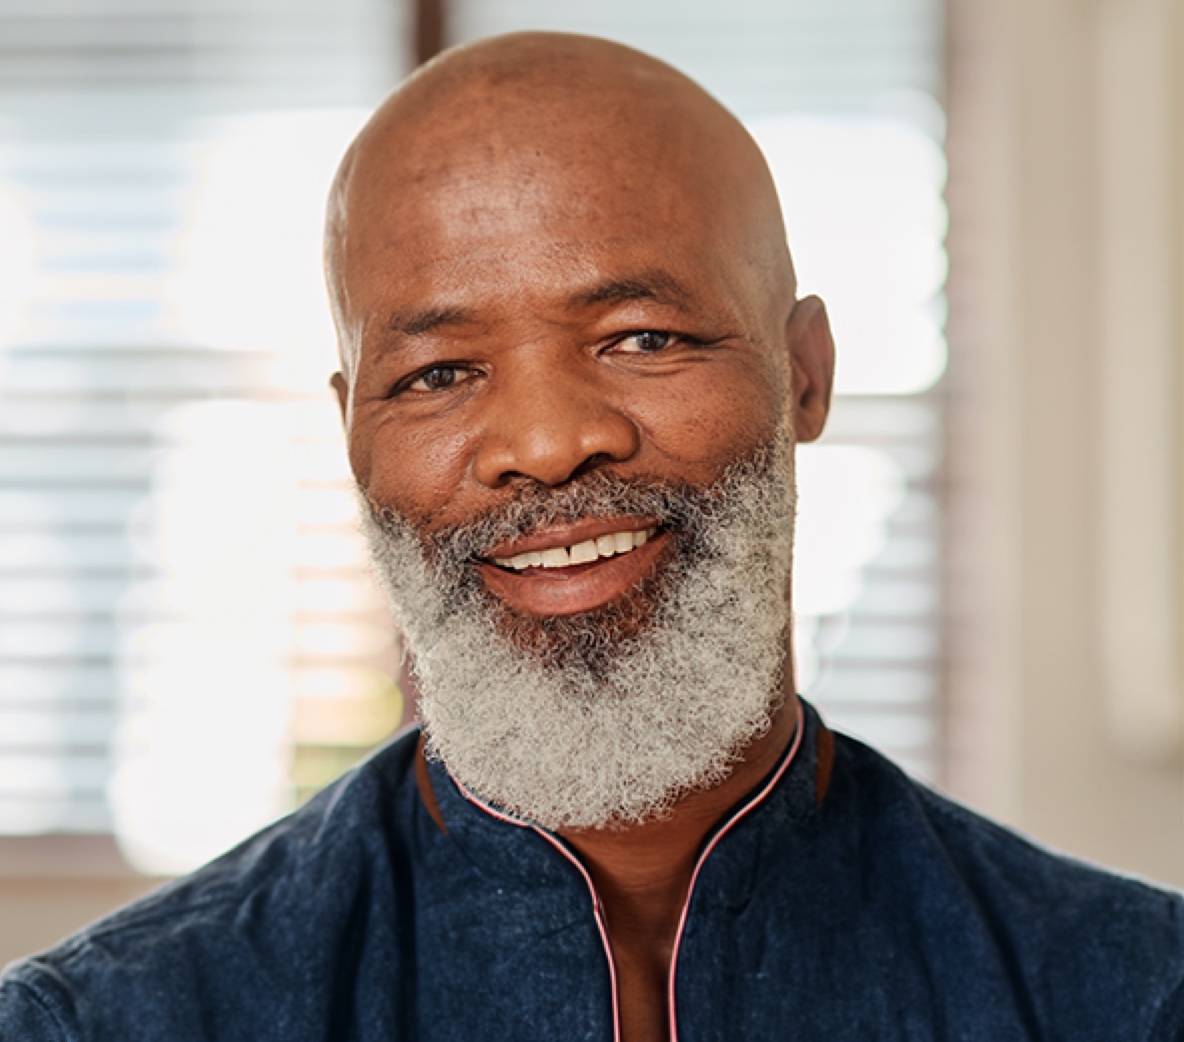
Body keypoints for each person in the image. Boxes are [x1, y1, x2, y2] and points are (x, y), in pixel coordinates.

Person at [3, 30, 1184, 1042]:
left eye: (640, 338)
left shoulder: (1131, 994)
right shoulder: (115, 1019)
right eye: (439, 371)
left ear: (804, 374)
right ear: (352, 439)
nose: (548, 440)